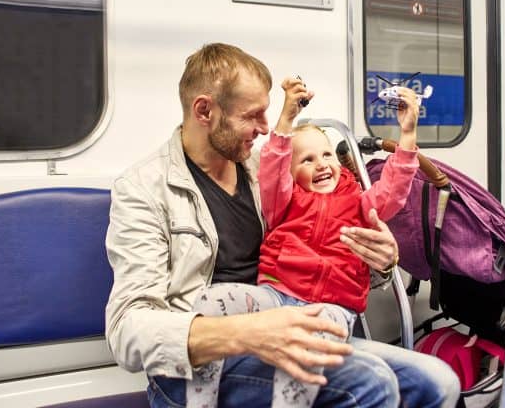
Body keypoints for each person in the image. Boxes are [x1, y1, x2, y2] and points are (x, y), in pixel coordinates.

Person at [104, 42, 460, 407]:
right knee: (370, 382)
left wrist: (380, 261)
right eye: (252, 116)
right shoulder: (144, 189)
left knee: (437, 382)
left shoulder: (267, 171)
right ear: (204, 111)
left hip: (290, 323)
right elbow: (127, 332)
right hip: (203, 363)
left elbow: (326, 257)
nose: (263, 128)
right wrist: (247, 333)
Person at [185, 77, 422, 407]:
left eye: (326, 155)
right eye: (307, 160)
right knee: (211, 300)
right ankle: (200, 400)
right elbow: (272, 167)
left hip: (331, 309)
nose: (322, 163)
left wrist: (407, 136)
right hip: (276, 297)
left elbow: (394, 191)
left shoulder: (358, 201)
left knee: (304, 351)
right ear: (292, 172)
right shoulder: (284, 201)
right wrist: (285, 120)